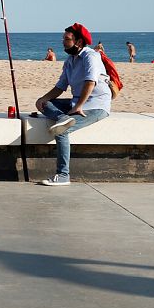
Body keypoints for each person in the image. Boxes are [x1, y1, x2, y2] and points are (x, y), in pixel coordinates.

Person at [35, 23, 111, 186]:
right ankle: (63, 117)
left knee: (61, 131)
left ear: (79, 42)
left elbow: (90, 82)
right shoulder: (70, 60)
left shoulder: (90, 56)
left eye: (67, 39)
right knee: (45, 104)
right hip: (76, 102)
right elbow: (60, 87)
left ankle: (63, 175)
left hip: (96, 105)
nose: (63, 42)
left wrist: (78, 107)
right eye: (63, 39)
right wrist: (42, 99)